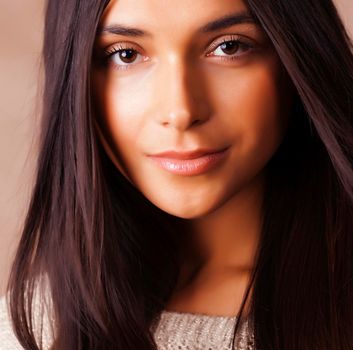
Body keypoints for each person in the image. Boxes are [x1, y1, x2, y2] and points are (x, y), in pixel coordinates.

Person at [0, 0, 352, 349]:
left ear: (298, 55)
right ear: (75, 81)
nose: (181, 110)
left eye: (229, 47)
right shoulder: (33, 326)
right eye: (126, 55)